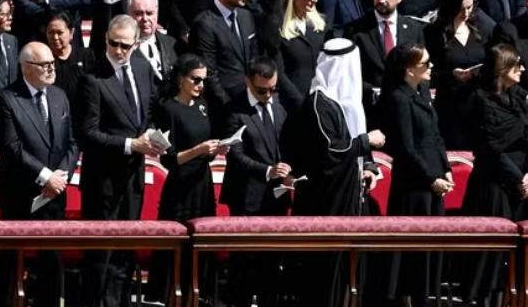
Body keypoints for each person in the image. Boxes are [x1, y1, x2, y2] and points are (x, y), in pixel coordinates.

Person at [280, 38, 386, 305]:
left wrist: (369, 166)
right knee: (328, 273)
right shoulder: (319, 103)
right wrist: (365, 142)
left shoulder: (347, 102)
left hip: (352, 194)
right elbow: (330, 153)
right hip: (328, 201)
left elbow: (355, 141)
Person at [78, 15, 160, 307]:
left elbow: (150, 112)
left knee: (126, 250)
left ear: (136, 44)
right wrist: (130, 145)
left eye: (125, 45)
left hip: (132, 176)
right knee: (101, 254)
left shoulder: (142, 68)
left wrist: (149, 133)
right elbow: (87, 133)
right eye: (114, 43)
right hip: (102, 180)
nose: (118, 50)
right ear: (106, 39)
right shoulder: (92, 79)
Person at [0, 42, 77, 307]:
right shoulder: (7, 97)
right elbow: (12, 147)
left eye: (53, 63)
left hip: (54, 194)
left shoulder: (59, 95)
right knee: (10, 260)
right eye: (44, 65)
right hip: (20, 193)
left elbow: (72, 142)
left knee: (51, 261)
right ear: (26, 67)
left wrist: (61, 176)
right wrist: (46, 176)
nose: (51, 69)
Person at [147, 53, 228, 301]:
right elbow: (169, 159)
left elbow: (205, 146)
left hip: (202, 184)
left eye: (204, 80)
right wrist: (199, 150)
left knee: (202, 242)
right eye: (196, 79)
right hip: (180, 187)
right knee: (178, 244)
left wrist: (214, 150)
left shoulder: (203, 105)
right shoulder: (168, 109)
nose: (201, 85)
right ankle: (170, 297)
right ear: (181, 79)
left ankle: (200, 295)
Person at [380, 43, 451, 307]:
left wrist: (446, 168)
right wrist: (431, 178)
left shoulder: (422, 92)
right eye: (425, 63)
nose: (431, 67)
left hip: (434, 178)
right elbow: (405, 148)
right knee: (412, 248)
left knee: (431, 245)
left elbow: (436, 134)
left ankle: (427, 296)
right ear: (410, 69)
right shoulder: (398, 98)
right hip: (414, 184)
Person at [221, 57, 294, 306]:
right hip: (246, 197)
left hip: (277, 195)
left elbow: (286, 143)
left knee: (271, 262)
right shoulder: (234, 110)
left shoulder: (279, 105)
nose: (268, 95)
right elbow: (236, 155)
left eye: (273, 88)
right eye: (262, 90)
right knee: (243, 262)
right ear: (248, 82)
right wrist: (268, 170)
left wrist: (288, 168)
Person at [460, 43, 528, 302]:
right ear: (502, 69)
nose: (522, 69)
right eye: (517, 64)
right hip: (494, 185)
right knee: (490, 257)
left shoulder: (517, 98)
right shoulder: (482, 102)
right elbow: (491, 149)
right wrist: (520, 179)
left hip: (521, 185)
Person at [346, 0, 425, 126]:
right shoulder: (356, 30)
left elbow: (421, 67)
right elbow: (350, 73)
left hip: (407, 110)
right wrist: (371, 91)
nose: (381, 0)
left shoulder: (413, 29)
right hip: (372, 111)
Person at [424, 0, 494, 150]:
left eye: (469, 7)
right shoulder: (433, 33)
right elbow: (426, 73)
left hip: (480, 104)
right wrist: (451, 75)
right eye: (461, 8)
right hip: (451, 107)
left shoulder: (481, 28)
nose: (466, 13)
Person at [191, 0, 262, 112]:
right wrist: (228, 107)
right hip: (225, 107)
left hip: (250, 100)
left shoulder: (246, 16)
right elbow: (209, 74)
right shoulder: (204, 24)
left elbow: (254, 57)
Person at [264, 0, 329, 98]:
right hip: (293, 100)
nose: (315, 0)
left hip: (321, 96)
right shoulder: (277, 28)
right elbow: (279, 72)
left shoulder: (321, 24)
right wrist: (299, 101)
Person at [46, 11, 95, 97]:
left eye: (60, 33)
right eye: (51, 33)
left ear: (71, 32)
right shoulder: (44, 60)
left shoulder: (85, 55)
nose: (55, 37)